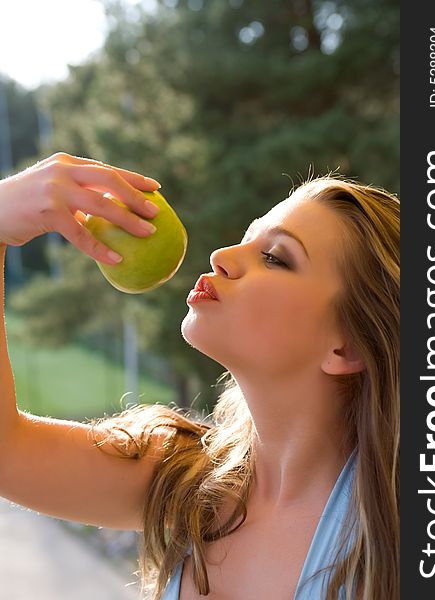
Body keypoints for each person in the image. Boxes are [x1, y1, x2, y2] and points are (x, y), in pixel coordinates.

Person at [0, 152, 400, 600]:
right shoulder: (185, 479)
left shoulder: (399, 541)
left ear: (347, 347)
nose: (221, 256)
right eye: (246, 239)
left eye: (274, 257)